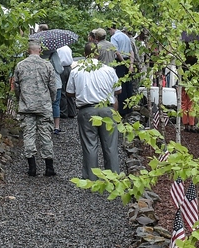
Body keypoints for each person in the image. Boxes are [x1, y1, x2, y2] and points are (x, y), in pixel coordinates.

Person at [68, 42, 121, 180]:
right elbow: (118, 90)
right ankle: (113, 178)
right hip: (107, 109)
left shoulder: (76, 71)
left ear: (85, 54)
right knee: (110, 145)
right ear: (98, 54)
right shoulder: (109, 70)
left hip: (87, 110)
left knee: (89, 145)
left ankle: (91, 179)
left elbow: (69, 92)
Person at [11, 38, 57, 176]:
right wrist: (51, 100)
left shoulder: (20, 66)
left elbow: (16, 86)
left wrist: (21, 99)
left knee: (29, 135)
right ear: (40, 50)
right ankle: (49, 167)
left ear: (28, 50)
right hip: (43, 106)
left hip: (27, 106)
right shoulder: (47, 65)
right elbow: (53, 87)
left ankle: (32, 167)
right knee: (45, 135)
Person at [109, 25, 139, 118]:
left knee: (120, 86)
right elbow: (131, 51)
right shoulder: (126, 36)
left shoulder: (114, 37)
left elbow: (116, 52)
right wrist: (130, 64)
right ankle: (129, 108)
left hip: (120, 62)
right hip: (128, 61)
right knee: (128, 85)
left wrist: (123, 62)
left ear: (111, 29)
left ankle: (122, 110)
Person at [49, 43, 74, 133]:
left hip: (62, 70)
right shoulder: (68, 48)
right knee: (70, 90)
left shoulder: (56, 51)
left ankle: (63, 112)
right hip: (69, 68)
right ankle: (72, 111)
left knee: (63, 92)